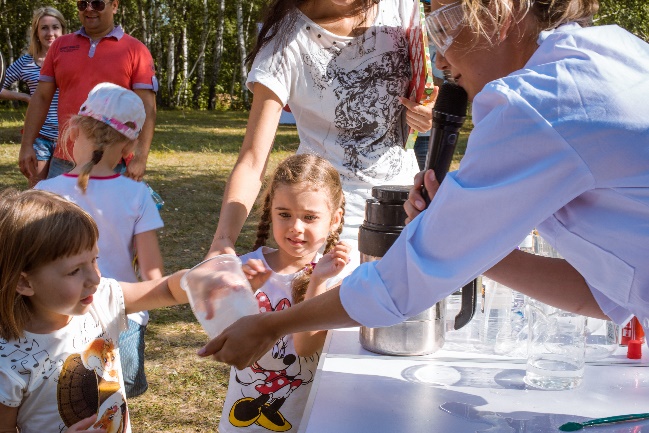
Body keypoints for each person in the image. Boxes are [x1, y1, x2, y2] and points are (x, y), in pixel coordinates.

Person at [197, 0, 649, 370]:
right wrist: (467, 247)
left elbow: (401, 284)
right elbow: (607, 295)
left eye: (445, 23)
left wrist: (273, 325)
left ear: (500, 12)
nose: (439, 58)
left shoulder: (535, 102)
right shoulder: (610, 49)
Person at [207, 0, 434, 272]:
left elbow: (434, 79)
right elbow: (252, 161)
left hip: (409, 210)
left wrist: (428, 109)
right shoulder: (284, 42)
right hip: (326, 227)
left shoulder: (400, 7)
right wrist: (222, 241)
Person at [0, 188, 187, 433]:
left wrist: (198, 281)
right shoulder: (8, 360)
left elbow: (167, 291)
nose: (95, 278)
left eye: (94, 259)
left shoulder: (100, 299)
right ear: (24, 282)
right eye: (74, 270)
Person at [34, 83, 163, 399]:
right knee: (115, 400)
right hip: (123, 315)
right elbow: (153, 273)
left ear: (75, 128)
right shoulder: (138, 195)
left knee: (64, 401)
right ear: (130, 144)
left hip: (59, 316)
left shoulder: (43, 191)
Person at [220, 153, 351, 433]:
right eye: (285, 214)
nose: (296, 227)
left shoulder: (338, 278)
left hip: (307, 420)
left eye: (310, 217)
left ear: (335, 219)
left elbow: (305, 348)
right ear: (271, 212)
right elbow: (222, 341)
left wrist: (317, 281)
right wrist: (245, 295)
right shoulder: (246, 267)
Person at [19, 0, 157, 183]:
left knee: (106, 212)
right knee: (55, 212)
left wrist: (140, 157)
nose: (89, 9)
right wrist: (27, 145)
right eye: (83, 4)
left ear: (114, 6)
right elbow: (42, 98)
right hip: (65, 159)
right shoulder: (60, 46)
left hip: (114, 161)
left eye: (98, 4)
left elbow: (147, 107)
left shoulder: (136, 50)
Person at [0, 7, 66, 186]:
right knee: (38, 194)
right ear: (36, 32)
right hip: (40, 138)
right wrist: (24, 97)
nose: (50, 33)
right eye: (44, 28)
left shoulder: (72, 60)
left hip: (68, 138)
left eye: (55, 27)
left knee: (66, 199)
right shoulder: (25, 62)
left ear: (63, 30)